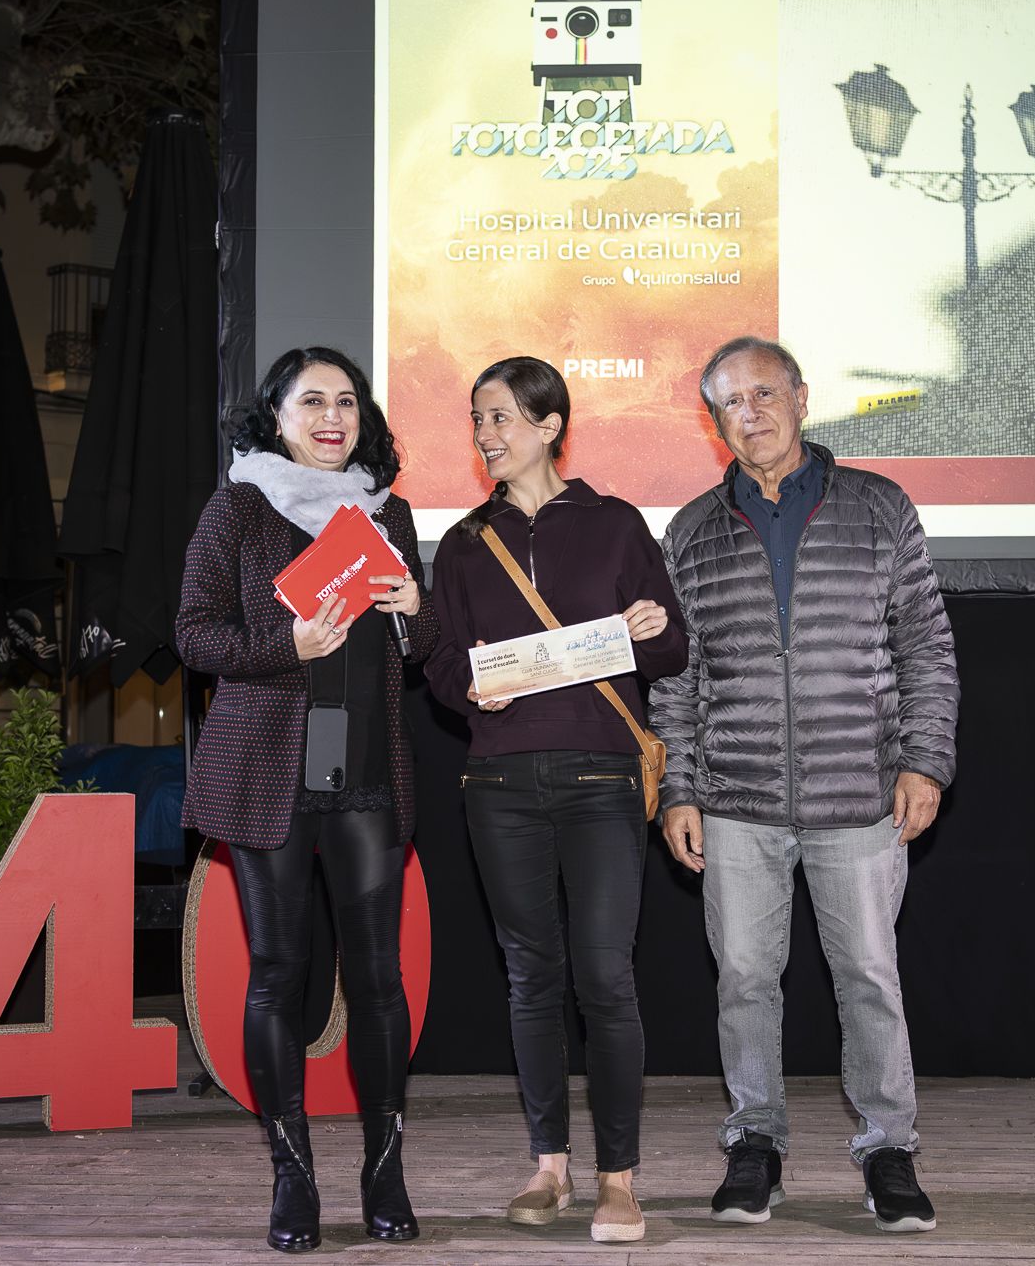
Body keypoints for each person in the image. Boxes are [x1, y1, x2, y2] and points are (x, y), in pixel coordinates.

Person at [649, 336, 960, 1234]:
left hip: (860, 794)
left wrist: (924, 759)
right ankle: (755, 1143)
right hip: (735, 801)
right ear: (716, 424)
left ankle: (888, 1149)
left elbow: (927, 648)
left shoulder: (879, 507)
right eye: (730, 403)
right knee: (745, 977)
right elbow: (677, 678)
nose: (751, 413)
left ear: (801, 397)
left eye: (764, 393)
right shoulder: (692, 531)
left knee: (868, 973)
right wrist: (679, 790)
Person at [177, 346, 437, 1253]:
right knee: (278, 975)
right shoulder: (238, 508)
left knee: (377, 979)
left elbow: (419, 645)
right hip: (265, 777)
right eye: (312, 401)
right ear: (275, 416)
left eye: (348, 402)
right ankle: (292, 1176)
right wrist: (285, 642)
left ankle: (385, 1168)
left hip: (365, 769)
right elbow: (194, 633)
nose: (334, 417)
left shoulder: (389, 512)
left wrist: (415, 607)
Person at [424, 356, 687, 1244]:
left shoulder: (615, 524)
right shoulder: (462, 543)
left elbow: (672, 644)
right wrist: (468, 689)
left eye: (499, 417)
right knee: (532, 977)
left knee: (606, 978)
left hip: (602, 779)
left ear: (548, 424)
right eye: (476, 420)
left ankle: (619, 1178)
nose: (484, 435)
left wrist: (651, 630)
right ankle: (549, 1166)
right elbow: (439, 659)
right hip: (499, 783)